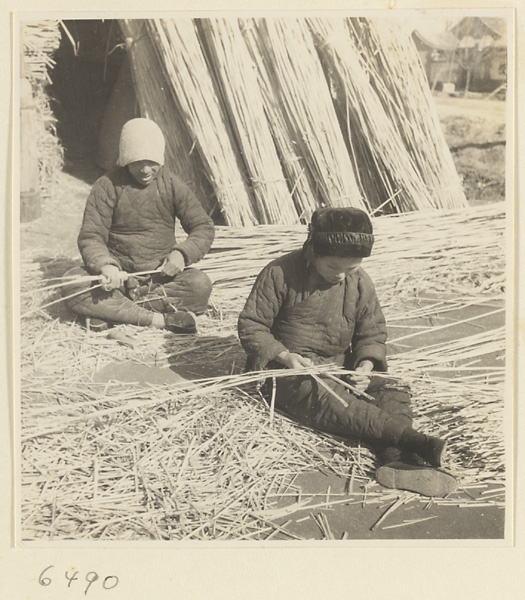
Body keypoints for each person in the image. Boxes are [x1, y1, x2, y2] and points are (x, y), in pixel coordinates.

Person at [238, 207, 456, 497]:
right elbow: (252, 326)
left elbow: (372, 331)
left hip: (341, 367)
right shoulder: (279, 273)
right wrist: (283, 356)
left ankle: (395, 460)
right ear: (313, 251)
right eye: (333, 268)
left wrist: (365, 365)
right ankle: (412, 441)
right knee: (330, 398)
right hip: (291, 374)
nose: (341, 276)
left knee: (391, 387)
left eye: (350, 268)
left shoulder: (359, 281)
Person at [62, 118, 215, 334]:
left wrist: (182, 254)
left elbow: (203, 227)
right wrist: (107, 266)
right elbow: (91, 236)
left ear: (161, 160)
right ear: (124, 160)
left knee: (200, 285)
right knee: (73, 282)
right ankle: (160, 320)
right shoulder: (107, 186)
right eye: (136, 162)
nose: (145, 170)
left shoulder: (172, 185)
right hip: (116, 281)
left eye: (151, 162)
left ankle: (111, 312)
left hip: (159, 280)